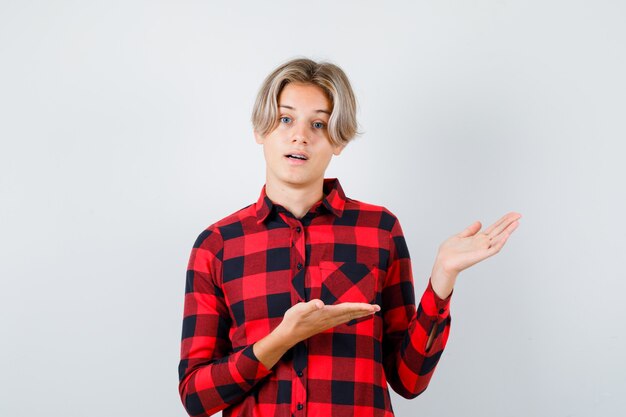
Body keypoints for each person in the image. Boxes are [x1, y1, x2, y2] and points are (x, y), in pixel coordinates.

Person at [178, 57, 521, 417]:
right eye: (285, 119)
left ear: (338, 141)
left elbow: (408, 381)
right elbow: (196, 397)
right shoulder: (216, 245)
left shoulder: (379, 230)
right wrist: (281, 339)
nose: (300, 135)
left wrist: (442, 279)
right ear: (260, 131)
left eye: (319, 124)